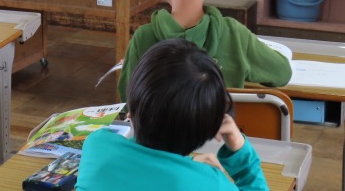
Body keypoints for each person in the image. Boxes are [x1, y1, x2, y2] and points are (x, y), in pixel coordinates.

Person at [77, 38, 269, 191]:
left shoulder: (97, 147)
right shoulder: (213, 185)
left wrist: (185, 165)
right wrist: (240, 155)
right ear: (207, 129)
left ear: (131, 112)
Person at [117, 0, 291, 101]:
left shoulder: (143, 38)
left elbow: (128, 98)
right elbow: (282, 73)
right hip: (218, 124)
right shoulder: (235, 34)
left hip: (156, 125)